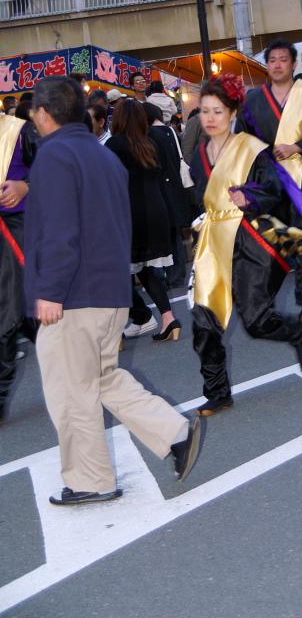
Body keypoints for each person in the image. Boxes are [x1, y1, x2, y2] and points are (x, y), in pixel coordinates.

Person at [25, 75, 202, 505]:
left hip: (72, 293)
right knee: (101, 378)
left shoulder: (53, 156)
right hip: (109, 289)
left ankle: (90, 479)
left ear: (44, 114)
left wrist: (49, 290)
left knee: (71, 391)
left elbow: (61, 229)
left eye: (33, 111)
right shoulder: (101, 155)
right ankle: (175, 433)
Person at [190, 74, 302, 416]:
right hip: (212, 241)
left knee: (256, 320)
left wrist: (250, 196)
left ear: (232, 113)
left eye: (218, 111)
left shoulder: (252, 149)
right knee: (204, 322)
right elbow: (197, 195)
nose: (211, 118)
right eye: (204, 111)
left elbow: (274, 188)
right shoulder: (200, 152)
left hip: (249, 239)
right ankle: (217, 391)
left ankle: (296, 334)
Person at [236, 38, 302, 329]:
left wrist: (298, 147)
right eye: (272, 60)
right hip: (269, 182)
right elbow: (243, 140)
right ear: (267, 66)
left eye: (283, 59)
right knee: (275, 242)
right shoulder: (253, 101)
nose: (277, 65)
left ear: (293, 64)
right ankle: (271, 301)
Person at [106, 99, 181, 340]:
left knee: (119, 271)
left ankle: (119, 331)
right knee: (148, 269)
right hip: (157, 209)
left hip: (128, 213)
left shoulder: (114, 145)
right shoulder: (152, 142)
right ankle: (168, 319)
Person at [0, 110, 35, 422]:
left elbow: (51, 170)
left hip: (17, 228)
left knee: (14, 311)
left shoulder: (20, 130)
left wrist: (26, 185)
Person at [144, 102, 191, 288]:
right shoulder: (170, 131)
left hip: (161, 189)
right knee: (176, 234)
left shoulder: (149, 136)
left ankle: (171, 276)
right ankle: (178, 275)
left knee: (168, 236)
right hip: (176, 186)